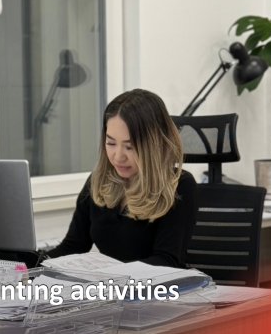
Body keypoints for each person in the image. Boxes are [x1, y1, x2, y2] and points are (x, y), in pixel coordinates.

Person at [47, 89, 197, 267]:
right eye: (111, 143)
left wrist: (107, 275)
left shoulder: (179, 186)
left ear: (154, 144)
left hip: (154, 284)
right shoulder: (99, 181)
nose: (118, 157)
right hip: (109, 283)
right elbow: (73, 246)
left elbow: (166, 260)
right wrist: (30, 263)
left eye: (130, 147)